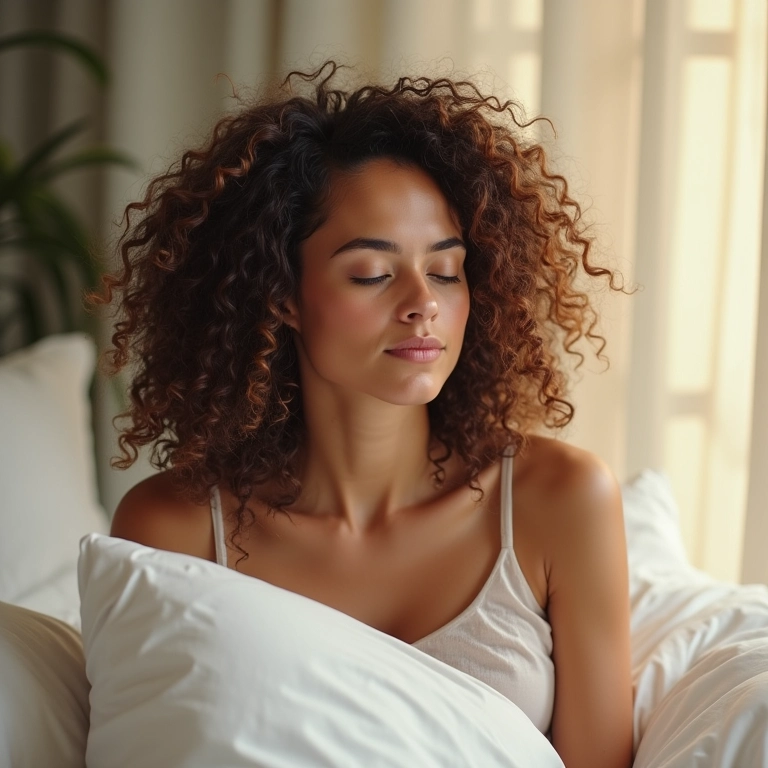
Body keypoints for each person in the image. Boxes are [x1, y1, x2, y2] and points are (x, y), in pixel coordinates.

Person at [94, 61, 633, 768]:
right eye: (372, 274)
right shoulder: (179, 529)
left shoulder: (557, 502)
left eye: (446, 270)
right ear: (281, 294)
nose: (423, 303)